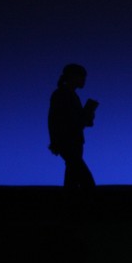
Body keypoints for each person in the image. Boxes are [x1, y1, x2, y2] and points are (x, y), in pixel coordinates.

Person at [48, 63, 97, 196]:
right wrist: (55, 141)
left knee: (72, 179)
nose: (83, 81)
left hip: (74, 141)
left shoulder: (71, 95)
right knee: (86, 181)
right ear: (73, 77)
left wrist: (88, 116)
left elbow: (76, 121)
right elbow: (54, 120)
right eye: (82, 77)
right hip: (68, 142)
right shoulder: (61, 94)